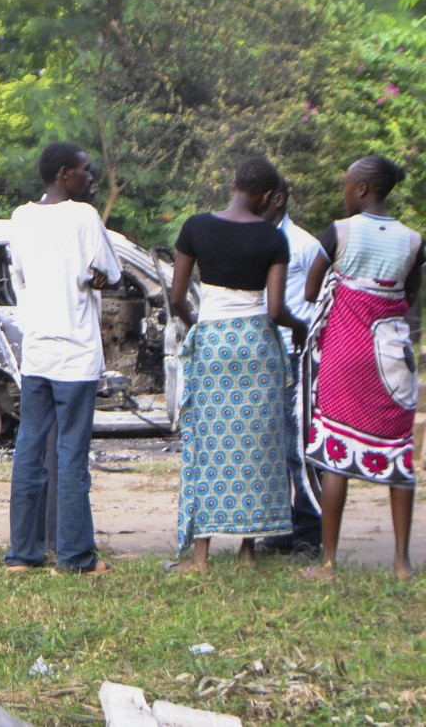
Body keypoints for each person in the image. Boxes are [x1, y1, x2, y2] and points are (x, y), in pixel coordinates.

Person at [168, 156, 304, 573]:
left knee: (208, 444)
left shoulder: (195, 226)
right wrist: (298, 329)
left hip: (212, 343)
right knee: (258, 446)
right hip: (256, 344)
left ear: (234, 185)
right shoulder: (272, 237)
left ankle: (201, 555)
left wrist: (201, 326)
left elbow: (176, 299)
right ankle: (248, 551)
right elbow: (277, 308)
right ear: (266, 196)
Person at [302, 155, 422, 581]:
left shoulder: (339, 231)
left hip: (345, 354)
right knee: (398, 453)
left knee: (336, 452)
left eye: (346, 184)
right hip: (392, 356)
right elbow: (409, 298)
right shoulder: (413, 240)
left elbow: (313, 288)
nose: (344, 192)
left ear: (363, 190)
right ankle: (403, 563)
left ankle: (329, 562)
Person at [4, 142, 122, 575]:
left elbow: (19, 276)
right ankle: (74, 557)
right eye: (85, 171)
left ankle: (23, 553)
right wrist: (94, 276)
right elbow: (110, 271)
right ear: (63, 174)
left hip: (36, 352)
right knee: (71, 455)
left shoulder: (20, 217)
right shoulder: (84, 216)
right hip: (76, 355)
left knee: (29, 451)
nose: (91, 179)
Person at [256, 176, 323, 555]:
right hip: (266, 357)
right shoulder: (259, 241)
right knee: (272, 446)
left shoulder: (303, 244)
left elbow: (315, 302)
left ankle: (311, 529)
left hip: (297, 355)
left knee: (299, 447)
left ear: (278, 199)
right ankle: (281, 527)